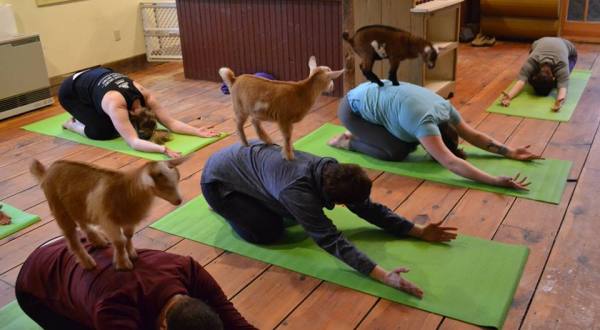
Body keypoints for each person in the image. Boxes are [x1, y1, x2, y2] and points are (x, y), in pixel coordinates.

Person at [201, 142, 459, 298]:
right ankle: (226, 209)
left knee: (295, 215)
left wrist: (417, 231)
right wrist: (383, 276)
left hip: (250, 166)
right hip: (219, 183)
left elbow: (368, 209)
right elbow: (329, 238)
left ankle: (259, 203)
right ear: (334, 200)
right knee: (270, 233)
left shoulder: (333, 170)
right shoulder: (297, 189)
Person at [328, 80, 541, 190]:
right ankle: (349, 141)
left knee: (407, 144)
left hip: (373, 94)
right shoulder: (424, 124)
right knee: (396, 152)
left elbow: (473, 135)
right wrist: (494, 180)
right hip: (352, 110)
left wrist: (510, 151)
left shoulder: (444, 109)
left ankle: (368, 134)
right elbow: (452, 162)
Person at [15, 237, 256, 329]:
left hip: (79, 244)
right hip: (37, 283)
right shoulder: (114, 309)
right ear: (163, 326)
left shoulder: (188, 269)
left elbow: (236, 322)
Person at [58, 67, 219, 158]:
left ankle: (89, 113)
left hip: (97, 76)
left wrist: (197, 131)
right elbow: (133, 142)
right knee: (105, 131)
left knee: (115, 124)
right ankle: (72, 124)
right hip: (71, 92)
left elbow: (171, 123)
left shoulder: (145, 95)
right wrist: (163, 150)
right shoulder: (116, 105)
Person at [500, 37, 578, 112]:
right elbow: (521, 82)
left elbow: (563, 86)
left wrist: (559, 102)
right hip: (540, 42)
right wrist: (508, 97)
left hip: (569, 50)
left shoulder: (561, 64)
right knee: (529, 71)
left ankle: (555, 81)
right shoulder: (532, 60)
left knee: (560, 80)